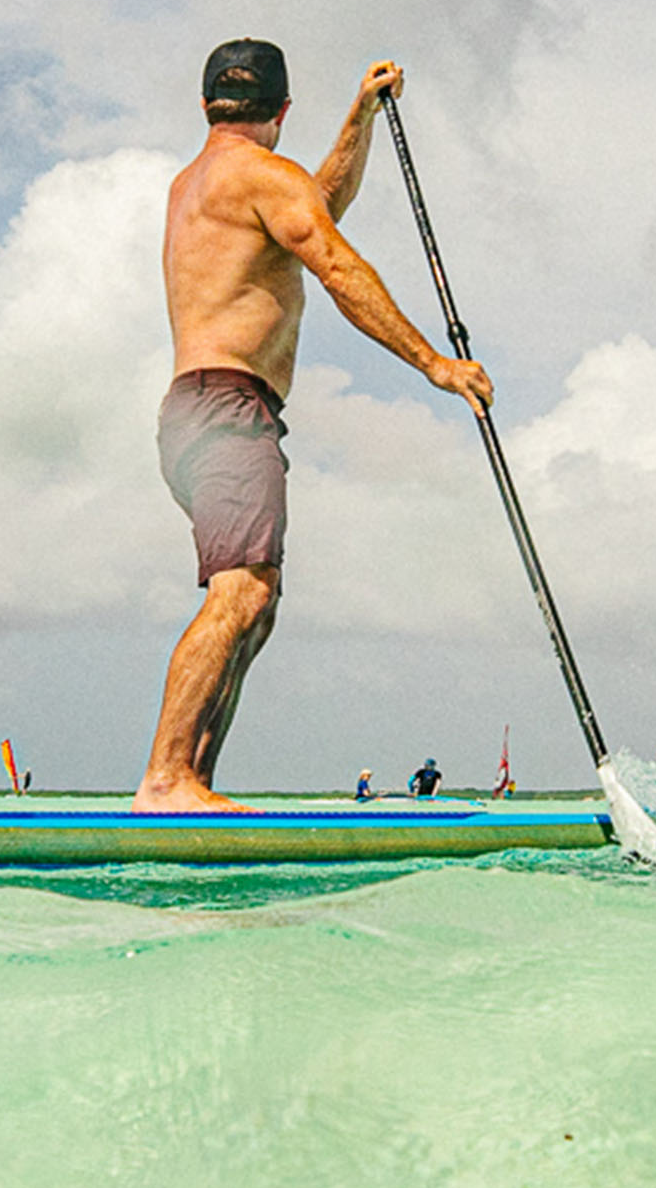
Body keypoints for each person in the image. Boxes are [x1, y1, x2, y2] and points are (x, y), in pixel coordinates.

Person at [132, 41, 493, 813]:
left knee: (257, 602)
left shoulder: (199, 183)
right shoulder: (265, 179)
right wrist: (435, 363)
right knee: (241, 594)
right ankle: (167, 779)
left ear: (207, 107)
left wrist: (358, 118)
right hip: (228, 410)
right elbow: (335, 264)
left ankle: (192, 783)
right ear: (281, 111)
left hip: (194, 412)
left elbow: (313, 205)